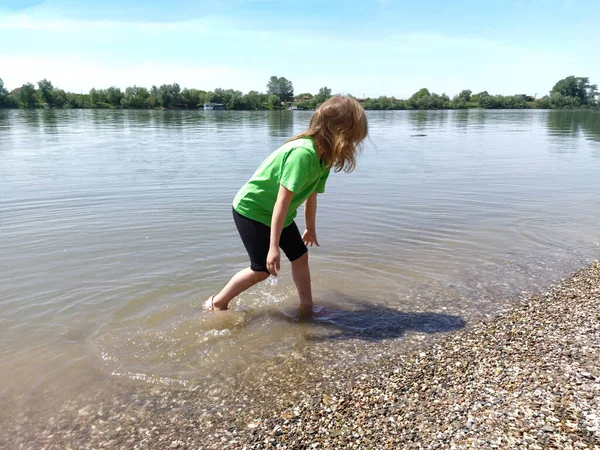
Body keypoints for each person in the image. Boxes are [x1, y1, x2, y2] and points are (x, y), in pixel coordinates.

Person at [204, 95, 368, 318]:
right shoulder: (304, 153)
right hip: (252, 210)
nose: (353, 143)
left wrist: (310, 228)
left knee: (300, 257)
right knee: (261, 269)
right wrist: (273, 247)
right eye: (352, 137)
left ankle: (306, 307)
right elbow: (282, 200)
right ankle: (217, 303)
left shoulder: (325, 158)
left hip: (279, 213)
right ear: (339, 131)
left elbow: (312, 195)